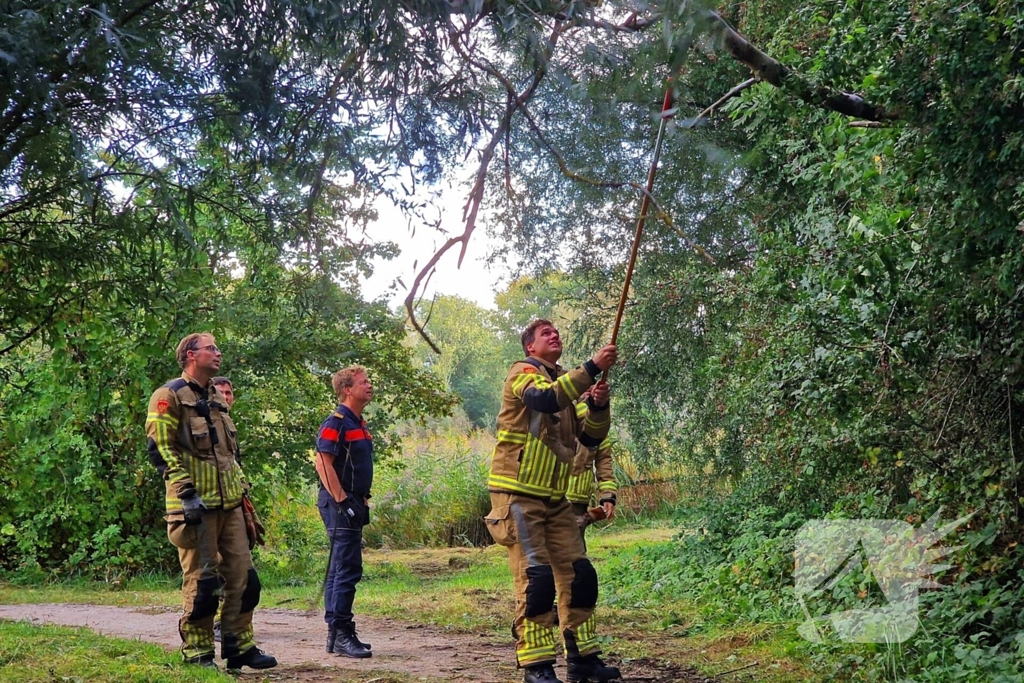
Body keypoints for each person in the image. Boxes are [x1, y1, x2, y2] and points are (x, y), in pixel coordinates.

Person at [485, 319, 622, 683]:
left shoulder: (568, 387)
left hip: (555, 498)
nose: (554, 335)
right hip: (517, 494)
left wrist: (597, 406)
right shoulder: (522, 373)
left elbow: (592, 439)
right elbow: (544, 399)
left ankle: (583, 660)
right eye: (545, 333)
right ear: (530, 346)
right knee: (537, 578)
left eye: (556, 331)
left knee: (580, 575)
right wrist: (592, 368)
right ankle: (537, 667)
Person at [145, 333, 277, 671]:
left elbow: (227, 455)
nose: (218, 353)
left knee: (245, 579)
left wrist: (243, 496)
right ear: (191, 355)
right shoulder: (169, 395)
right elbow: (160, 448)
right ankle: (198, 652)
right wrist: (186, 493)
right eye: (211, 348)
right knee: (204, 584)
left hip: (230, 504)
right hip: (195, 507)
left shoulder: (217, 396)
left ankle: (239, 645)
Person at [314, 365, 375, 658]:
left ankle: (339, 633)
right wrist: (342, 500)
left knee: (345, 567)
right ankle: (340, 633)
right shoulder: (337, 421)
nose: (370, 385)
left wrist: (360, 499)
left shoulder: (358, 422)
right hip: (340, 505)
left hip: (353, 502)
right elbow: (322, 460)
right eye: (364, 382)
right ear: (347, 389)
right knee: (346, 569)